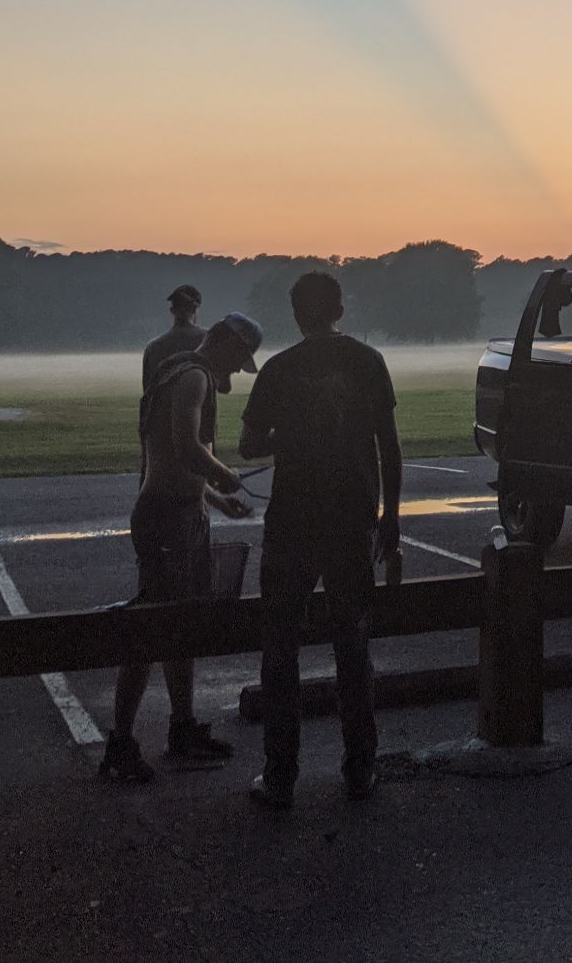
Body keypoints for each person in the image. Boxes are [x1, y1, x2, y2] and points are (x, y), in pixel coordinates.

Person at [239, 270, 401, 809]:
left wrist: (292, 432)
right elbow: (390, 448)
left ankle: (281, 774)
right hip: (352, 516)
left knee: (281, 647)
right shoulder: (368, 362)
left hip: (292, 519)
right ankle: (360, 767)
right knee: (352, 644)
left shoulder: (281, 369)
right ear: (339, 309)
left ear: (296, 314)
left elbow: (247, 445)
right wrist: (390, 517)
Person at [100, 311, 264, 784]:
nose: (237, 371)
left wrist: (212, 498)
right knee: (151, 627)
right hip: (167, 518)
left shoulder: (172, 369)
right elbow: (186, 446)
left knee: (180, 624)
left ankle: (182, 726)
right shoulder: (194, 378)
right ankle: (121, 742)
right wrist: (223, 474)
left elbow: (169, 461)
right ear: (224, 344)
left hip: (176, 509)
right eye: (238, 359)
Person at [142, 285, 205, 391]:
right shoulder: (207, 339)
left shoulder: (153, 347)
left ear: (172, 310)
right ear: (195, 309)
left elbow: (147, 393)